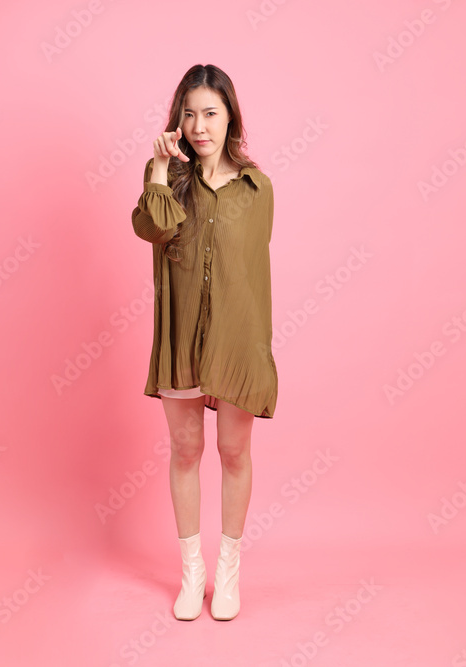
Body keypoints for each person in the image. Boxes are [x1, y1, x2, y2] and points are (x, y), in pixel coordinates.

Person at [130, 64, 278, 621]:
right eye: (189, 114)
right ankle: (192, 574)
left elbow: (251, 274)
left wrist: (257, 352)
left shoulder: (256, 188)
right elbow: (154, 229)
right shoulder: (167, 179)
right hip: (181, 336)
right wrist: (160, 169)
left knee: (234, 451)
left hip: (236, 340)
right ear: (178, 120)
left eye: (211, 113)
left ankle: (229, 572)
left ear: (230, 117)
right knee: (186, 449)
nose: (199, 126)